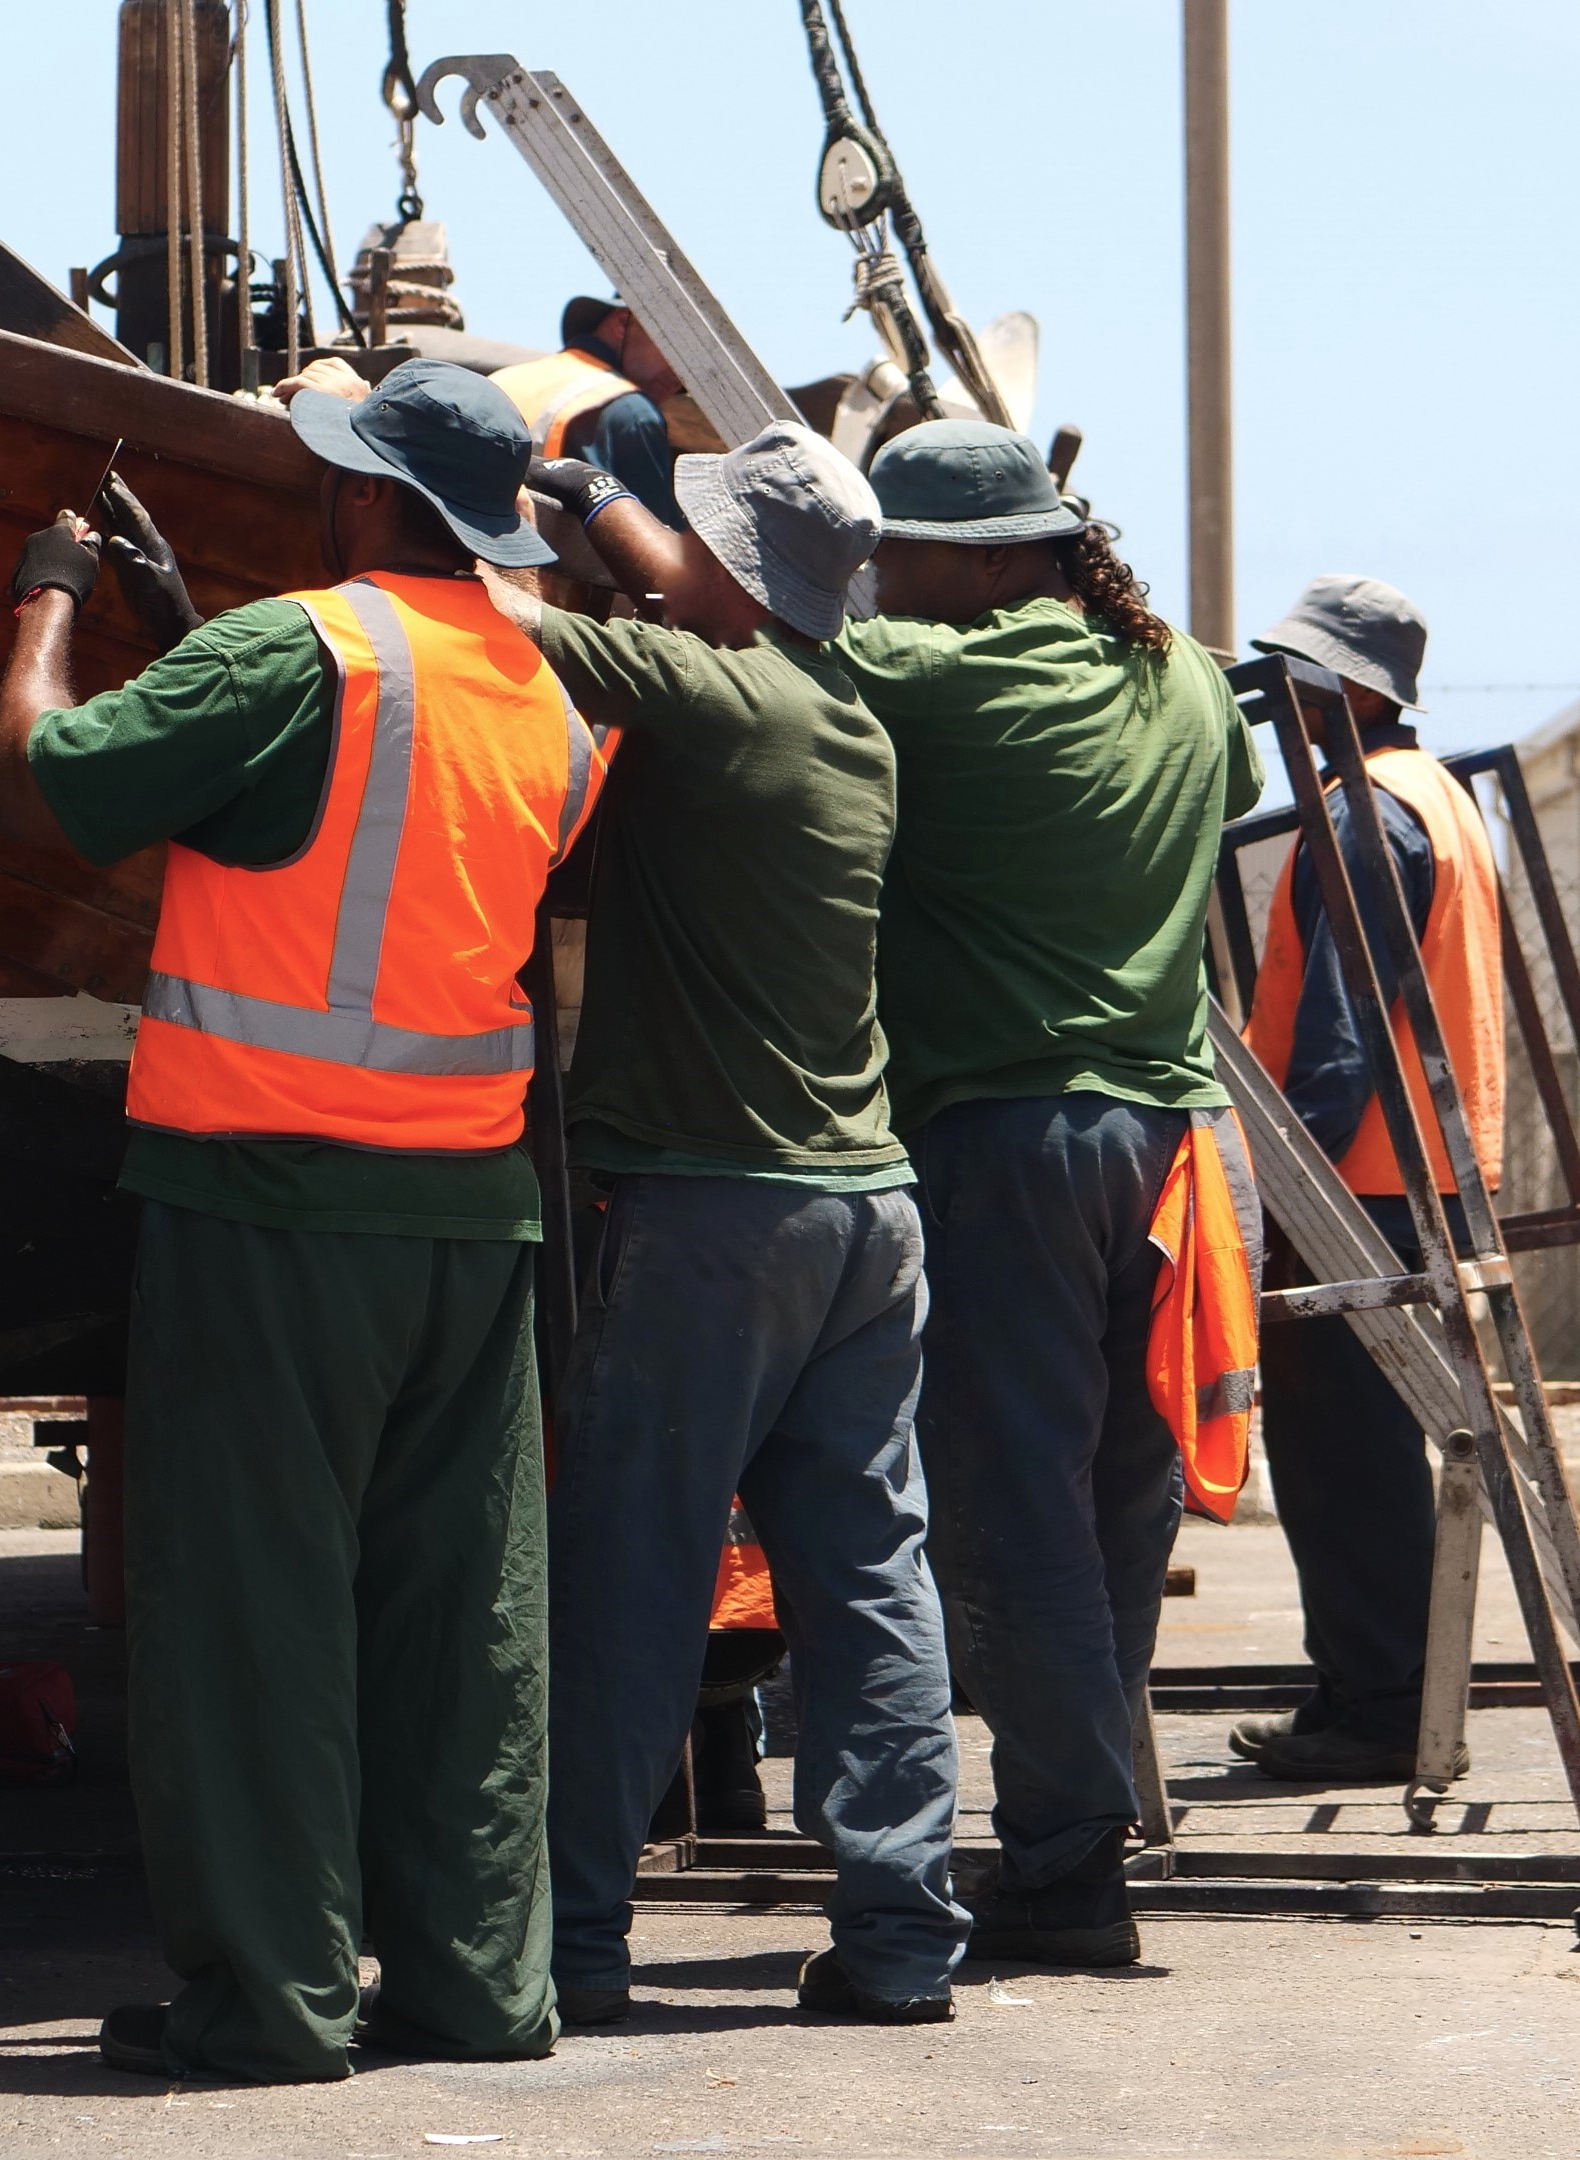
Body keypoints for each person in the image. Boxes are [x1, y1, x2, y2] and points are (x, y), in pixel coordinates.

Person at [0, 359, 604, 2084]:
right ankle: (481, 1987)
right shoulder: (543, 696)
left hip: (271, 1199)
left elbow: (47, 783)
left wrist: (45, 595)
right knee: (462, 1617)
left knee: (253, 1611)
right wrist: (187, 626)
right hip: (471, 1223)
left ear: (361, 498)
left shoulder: (304, 650)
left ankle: (272, 2002)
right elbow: (367, 847)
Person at [509, 425, 970, 2027]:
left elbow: (482, 624)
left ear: (732, 575)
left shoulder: (704, 697)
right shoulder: (850, 721)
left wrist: (505, 504)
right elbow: (697, 601)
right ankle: (904, 1938)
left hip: (717, 1217)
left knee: (632, 1578)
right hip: (866, 1211)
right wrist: (609, 510)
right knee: (871, 1580)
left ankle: (572, 1945)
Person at [838, 418, 1261, 1968]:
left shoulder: (945, 676)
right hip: (1176, 1153)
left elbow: (764, 651)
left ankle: (1071, 1868)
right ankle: (1082, 1819)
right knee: (1118, 1501)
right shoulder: (1196, 679)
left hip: (1011, 1136)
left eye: (908, 552)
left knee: (1016, 1512)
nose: (884, 575)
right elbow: (1234, 789)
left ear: (998, 556)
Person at [1233, 575, 1506, 1787]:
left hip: (1362, 1180)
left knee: (1344, 1456)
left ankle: (1381, 1703)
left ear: (1351, 689)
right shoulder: (1435, 798)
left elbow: (1341, 1036)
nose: (1278, 695)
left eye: (1298, 673)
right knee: (1377, 1453)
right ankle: (1373, 1685)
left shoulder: (1361, 815)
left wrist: (1289, 1199)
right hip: (1428, 1176)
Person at [491, 296, 686, 523]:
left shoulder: (505, 378)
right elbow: (658, 545)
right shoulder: (632, 411)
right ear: (622, 323)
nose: (681, 376)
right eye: (679, 347)